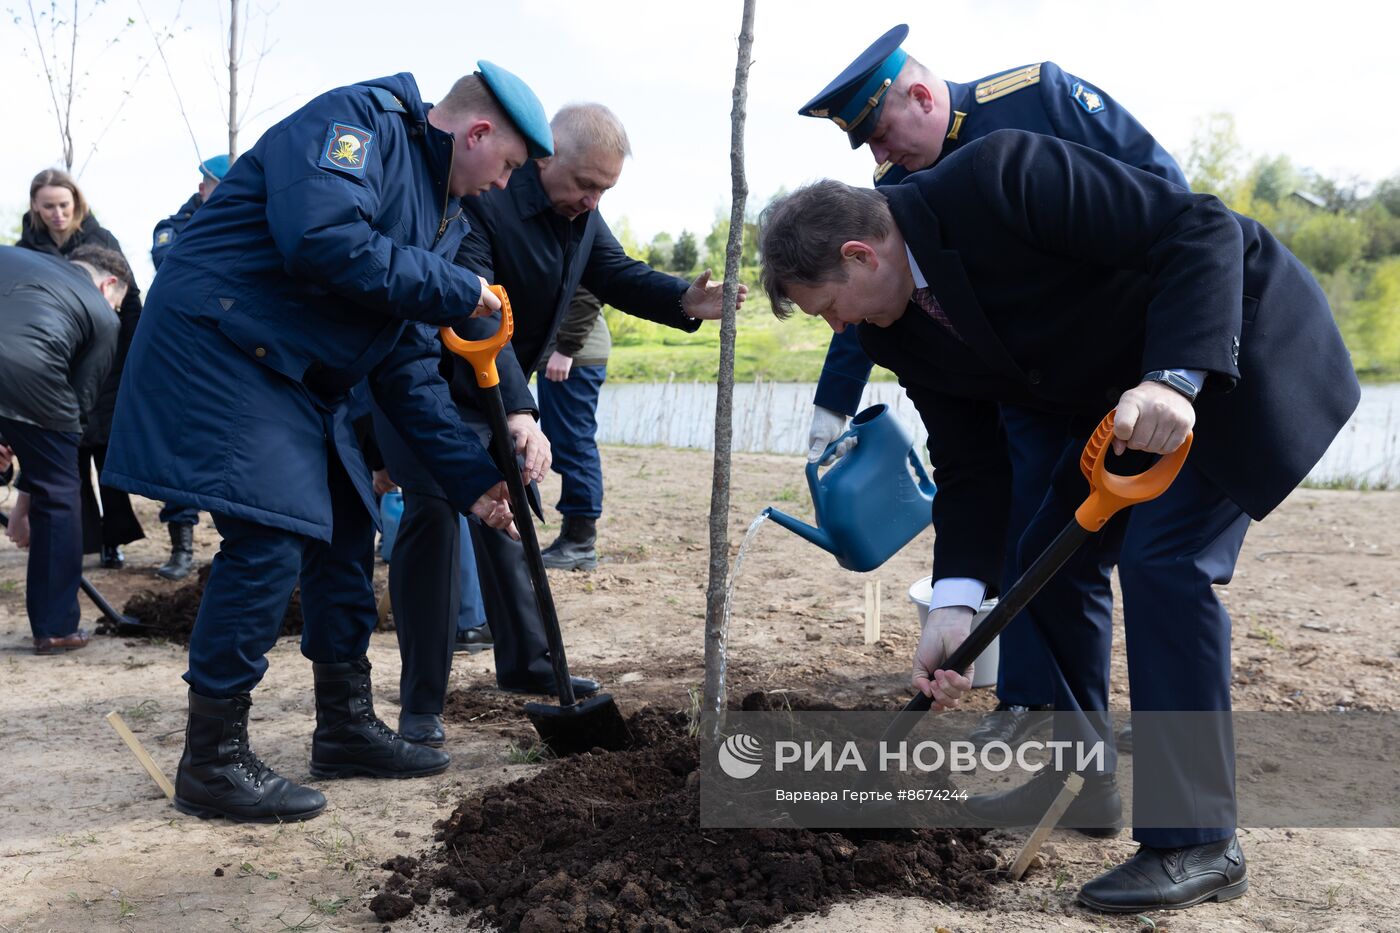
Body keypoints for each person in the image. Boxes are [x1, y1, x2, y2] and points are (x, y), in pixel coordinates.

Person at [757, 130, 1360, 912]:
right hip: (1126, 404)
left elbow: (1200, 227)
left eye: (829, 307)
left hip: (1232, 348)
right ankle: (1081, 780)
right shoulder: (896, 326)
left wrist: (1176, 377)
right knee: (1046, 553)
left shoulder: (1001, 178)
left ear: (861, 255)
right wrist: (953, 604)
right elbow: (971, 465)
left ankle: (1200, 839)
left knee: (1164, 563)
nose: (838, 328)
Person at [102, 64, 550, 824]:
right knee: (272, 531)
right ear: (476, 133)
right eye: (507, 166)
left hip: (303, 374)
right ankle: (211, 758)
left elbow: (407, 362)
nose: (504, 186)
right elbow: (321, 238)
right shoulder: (357, 124)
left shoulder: (441, 210)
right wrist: (456, 290)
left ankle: (344, 726)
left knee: (347, 523)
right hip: (221, 342)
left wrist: (476, 482)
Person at [798, 24, 1189, 746]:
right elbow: (871, 312)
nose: (882, 158)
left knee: (1129, 555)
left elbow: (1161, 206)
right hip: (1013, 387)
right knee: (1027, 536)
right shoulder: (895, 192)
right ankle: (1030, 697)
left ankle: (1066, 722)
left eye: (882, 135)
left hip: (1124, 365)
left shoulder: (1033, 102)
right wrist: (833, 402)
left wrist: (1171, 359)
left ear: (921, 95)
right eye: (871, 149)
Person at [376, 102, 741, 747]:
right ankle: (421, 705)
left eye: (606, 188)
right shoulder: (485, 204)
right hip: (428, 383)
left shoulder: (583, 217)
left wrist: (685, 299)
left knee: (512, 514)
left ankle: (529, 665)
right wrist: (520, 409)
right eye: (585, 184)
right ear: (545, 159)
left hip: (495, 384)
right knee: (433, 523)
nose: (593, 199)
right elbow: (479, 312)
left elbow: (617, 274)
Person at [0, 245, 128, 653]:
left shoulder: (14, 257)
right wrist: (30, 501)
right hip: (27, 370)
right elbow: (72, 415)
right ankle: (55, 627)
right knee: (60, 494)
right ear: (109, 284)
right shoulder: (104, 313)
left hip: (16, 372)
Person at [19, 169, 146, 570]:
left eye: (64, 205)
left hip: (107, 365)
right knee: (66, 463)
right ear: (36, 208)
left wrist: (130, 362)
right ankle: (81, 540)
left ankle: (114, 540)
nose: (57, 214)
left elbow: (129, 302)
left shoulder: (100, 240)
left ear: (77, 204)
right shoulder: (29, 248)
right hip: (54, 369)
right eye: (48, 206)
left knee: (108, 461)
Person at [147, 153, 233, 581]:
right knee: (180, 451)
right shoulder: (175, 228)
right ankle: (181, 546)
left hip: (230, 357)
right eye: (220, 187)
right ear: (204, 188)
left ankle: (232, 546)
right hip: (182, 355)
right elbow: (177, 268)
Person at [537, 286, 610, 570]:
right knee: (562, 442)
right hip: (560, 354)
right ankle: (572, 535)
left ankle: (581, 542)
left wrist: (566, 348)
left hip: (573, 356)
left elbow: (590, 293)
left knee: (574, 444)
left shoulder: (570, 241)